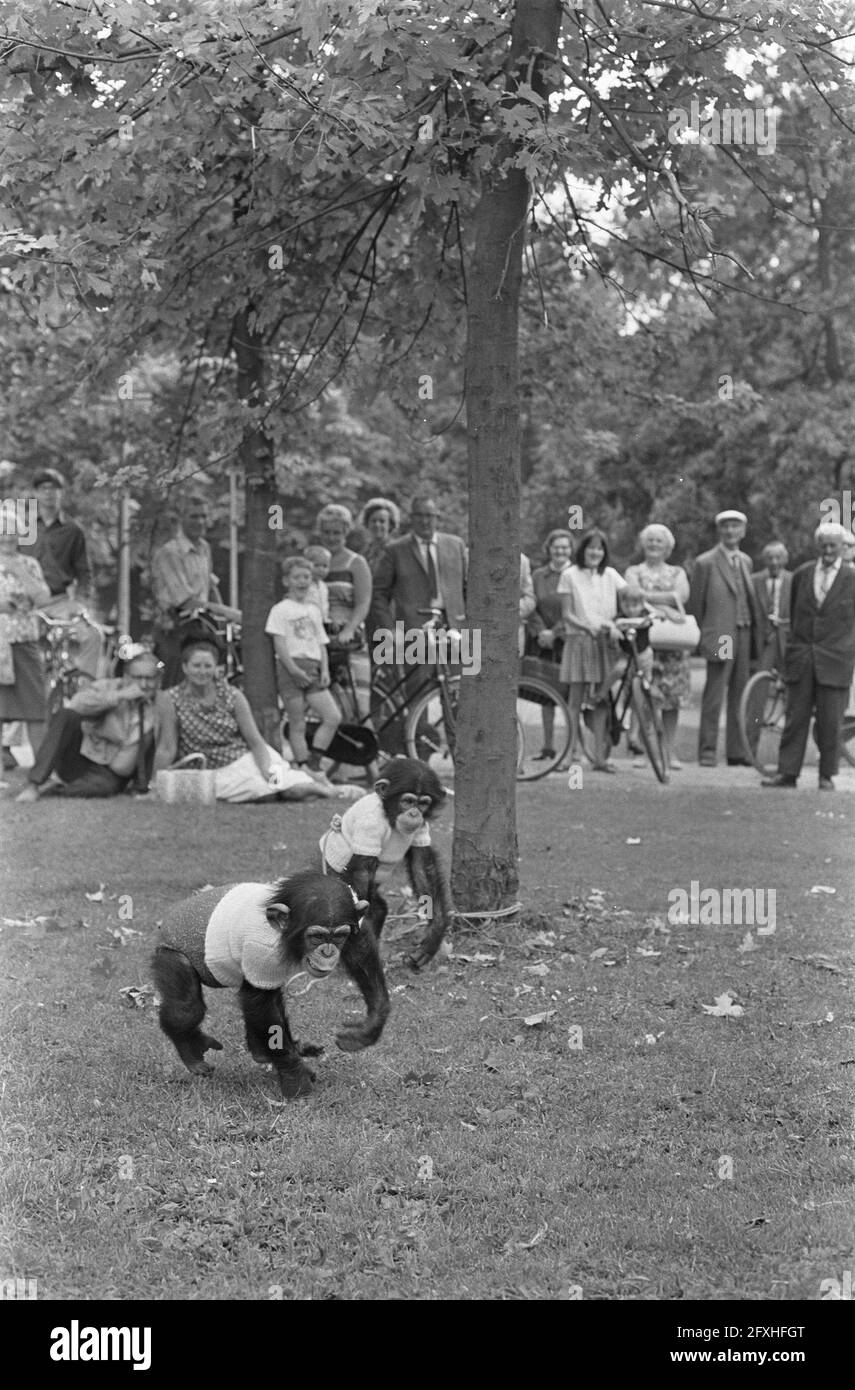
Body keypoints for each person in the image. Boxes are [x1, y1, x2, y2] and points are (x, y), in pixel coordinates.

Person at [155, 634, 329, 802]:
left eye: (207, 666)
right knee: (264, 793)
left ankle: (327, 790)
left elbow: (255, 741)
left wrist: (266, 769)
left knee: (289, 789)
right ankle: (304, 786)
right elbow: (167, 747)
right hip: (212, 770)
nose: (202, 671)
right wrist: (155, 784)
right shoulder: (170, 699)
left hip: (249, 758)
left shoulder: (233, 696)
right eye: (196, 666)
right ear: (185, 667)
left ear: (216, 667)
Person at [761, 522, 855, 791]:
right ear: (818, 546)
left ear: (842, 547)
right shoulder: (802, 574)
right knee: (795, 718)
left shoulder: (851, 577)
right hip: (802, 658)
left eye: (833, 545)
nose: (827, 550)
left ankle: (827, 775)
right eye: (823, 544)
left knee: (830, 722)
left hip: (836, 661)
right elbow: (794, 615)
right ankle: (787, 773)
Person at [371, 496, 467, 753]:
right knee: (419, 694)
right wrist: (390, 630)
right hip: (415, 630)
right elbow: (378, 593)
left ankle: (463, 754)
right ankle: (419, 756)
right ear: (411, 519)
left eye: (430, 516)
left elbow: (469, 588)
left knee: (462, 692)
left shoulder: (455, 545)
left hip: (455, 628)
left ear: (438, 518)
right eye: (419, 516)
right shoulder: (396, 550)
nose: (425, 521)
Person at [17, 647, 168, 800]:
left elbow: (165, 748)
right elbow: (77, 704)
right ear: (126, 677)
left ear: (158, 680)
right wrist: (120, 696)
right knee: (67, 716)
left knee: (101, 787)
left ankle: (58, 789)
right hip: (84, 755)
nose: (143, 684)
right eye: (137, 677)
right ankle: (34, 784)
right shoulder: (109, 687)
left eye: (149, 678)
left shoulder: (161, 704)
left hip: (112, 771)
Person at [688, 509, 760, 768]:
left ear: (743, 531)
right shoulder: (706, 562)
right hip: (722, 635)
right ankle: (707, 751)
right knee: (716, 692)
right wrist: (702, 637)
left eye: (735, 527)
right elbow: (695, 605)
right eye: (726, 527)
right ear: (719, 531)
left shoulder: (746, 561)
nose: (731, 532)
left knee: (741, 694)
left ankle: (736, 752)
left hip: (744, 632)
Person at [151, 495, 241, 688]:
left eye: (203, 516)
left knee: (214, 675)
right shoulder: (170, 552)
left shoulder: (204, 548)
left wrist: (226, 616)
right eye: (193, 516)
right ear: (180, 519)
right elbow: (184, 601)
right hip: (174, 627)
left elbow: (210, 585)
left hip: (201, 625)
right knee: (176, 683)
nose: (200, 522)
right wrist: (227, 612)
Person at [265, 556, 342, 779]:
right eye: (297, 577)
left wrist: (325, 670)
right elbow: (279, 644)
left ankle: (315, 761)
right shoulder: (280, 610)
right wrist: (293, 670)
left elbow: (322, 643)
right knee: (296, 722)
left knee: (332, 716)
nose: (302, 581)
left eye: (306, 577)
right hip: (291, 667)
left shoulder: (314, 610)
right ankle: (303, 766)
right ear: (286, 580)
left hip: (314, 666)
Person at [558, 527, 626, 772]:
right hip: (579, 640)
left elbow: (629, 600)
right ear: (582, 549)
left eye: (600, 548)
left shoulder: (611, 576)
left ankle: (600, 757)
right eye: (591, 547)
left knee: (601, 701)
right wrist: (586, 627)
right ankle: (569, 754)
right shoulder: (569, 575)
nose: (595, 552)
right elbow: (567, 614)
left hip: (604, 641)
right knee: (574, 701)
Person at [624, 523, 692, 771]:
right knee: (644, 697)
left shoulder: (678, 572)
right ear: (643, 544)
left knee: (671, 701)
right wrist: (667, 598)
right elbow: (631, 594)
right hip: (644, 642)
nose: (653, 545)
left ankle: (669, 752)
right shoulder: (634, 570)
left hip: (674, 643)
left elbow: (682, 595)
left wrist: (648, 596)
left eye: (658, 541)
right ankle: (644, 750)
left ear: (668, 547)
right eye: (650, 540)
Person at [30, 467, 102, 679]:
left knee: (92, 636)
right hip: (27, 604)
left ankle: (84, 692)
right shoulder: (23, 527)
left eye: (54, 489)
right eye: (44, 488)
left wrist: (80, 604)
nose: (49, 494)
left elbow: (84, 574)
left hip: (59, 603)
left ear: (62, 493)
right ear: (35, 493)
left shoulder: (73, 530)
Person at [0, 502, 51, 760]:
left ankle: (40, 770)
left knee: (35, 706)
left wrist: (19, 571)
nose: (6, 536)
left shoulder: (29, 564)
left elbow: (43, 598)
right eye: (1, 531)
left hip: (25, 642)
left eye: (11, 531)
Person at [525, 530, 574, 763]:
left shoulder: (576, 575)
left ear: (571, 550)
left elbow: (575, 610)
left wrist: (556, 632)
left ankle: (573, 748)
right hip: (542, 640)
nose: (560, 551)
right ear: (549, 548)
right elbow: (531, 603)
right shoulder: (538, 575)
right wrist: (541, 632)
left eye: (565, 547)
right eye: (557, 547)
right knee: (546, 695)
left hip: (568, 640)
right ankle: (548, 746)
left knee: (572, 696)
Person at [751, 542, 791, 672]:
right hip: (761, 639)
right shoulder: (754, 580)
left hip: (786, 638)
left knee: (786, 677)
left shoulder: (794, 579)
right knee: (761, 679)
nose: (774, 562)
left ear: (785, 559)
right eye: (770, 558)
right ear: (764, 560)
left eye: (778, 557)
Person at [360, 497, 401, 572]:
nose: (377, 525)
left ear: (390, 524)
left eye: (382, 521)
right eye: (373, 521)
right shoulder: (364, 552)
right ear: (367, 523)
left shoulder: (397, 551)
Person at [302, 546, 331, 623]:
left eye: (325, 566)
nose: (321, 570)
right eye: (316, 565)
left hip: (320, 624)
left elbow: (324, 606)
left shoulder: (323, 586)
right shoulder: (303, 584)